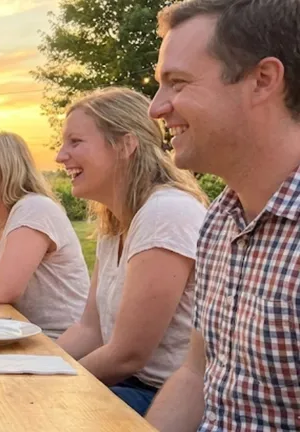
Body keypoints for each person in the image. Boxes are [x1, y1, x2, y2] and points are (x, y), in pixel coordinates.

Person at [144, 1, 300, 430]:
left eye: (177, 83)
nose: (156, 109)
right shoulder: (218, 221)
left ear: (263, 80)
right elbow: (196, 376)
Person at [54, 87, 208, 416]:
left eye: (75, 142)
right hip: (128, 385)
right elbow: (89, 331)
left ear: (125, 145)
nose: (60, 156)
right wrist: (37, 366)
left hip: (171, 401)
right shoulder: (118, 221)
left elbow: (127, 354)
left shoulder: (166, 213)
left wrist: (52, 386)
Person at [0, 132, 89, 339]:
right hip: (15, 332)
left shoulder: (33, 209)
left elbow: (4, 291)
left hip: (57, 340)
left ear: (4, 171)